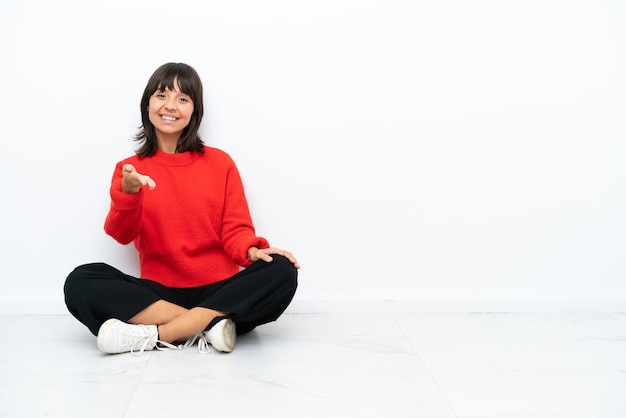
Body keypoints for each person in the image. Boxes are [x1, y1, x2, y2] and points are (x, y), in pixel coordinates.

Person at [64, 62, 299, 355]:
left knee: (282, 270)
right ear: (147, 103)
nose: (171, 106)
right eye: (162, 95)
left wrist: (252, 251)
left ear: (194, 110)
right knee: (81, 280)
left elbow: (235, 229)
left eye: (183, 98)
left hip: (220, 289)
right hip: (158, 295)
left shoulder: (220, 163)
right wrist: (129, 192)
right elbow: (121, 235)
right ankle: (210, 325)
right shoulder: (130, 170)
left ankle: (157, 335)